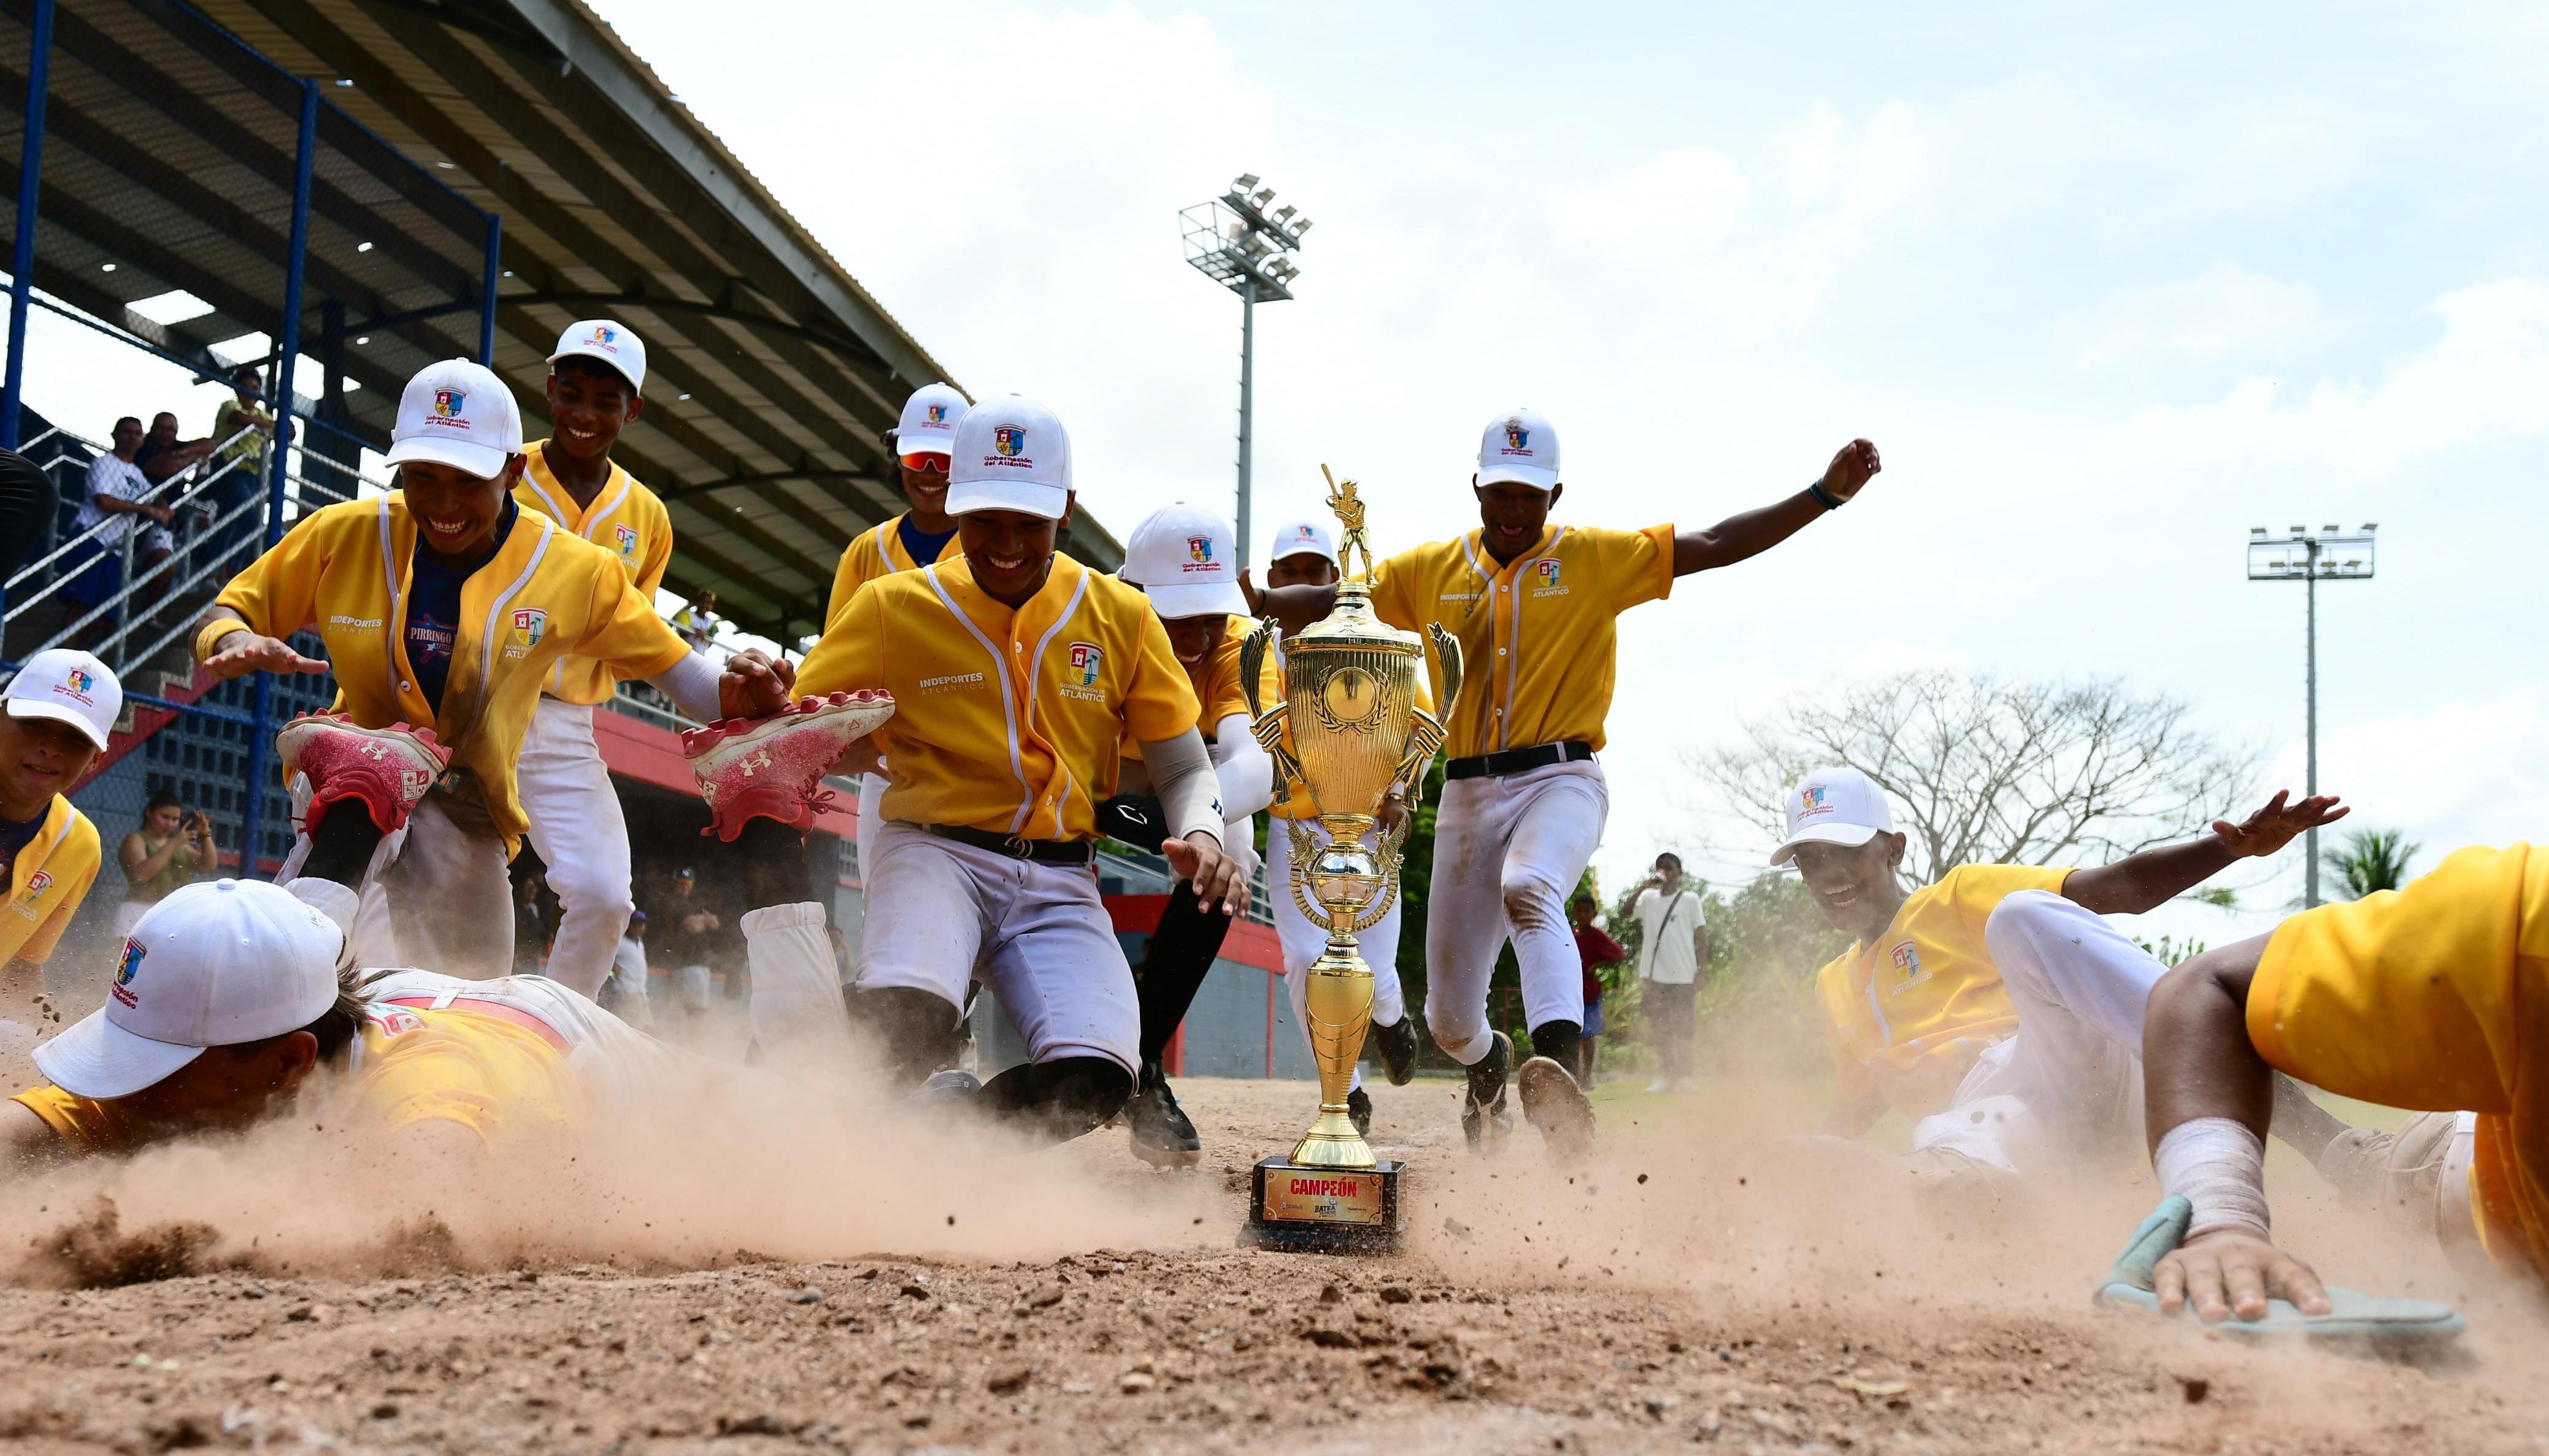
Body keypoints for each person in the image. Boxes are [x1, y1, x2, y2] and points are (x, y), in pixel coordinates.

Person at [1250, 408, 1883, 1159]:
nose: (1515, 510)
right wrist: (1259, 601)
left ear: (1555, 496)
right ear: (1478, 488)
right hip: (1466, 792)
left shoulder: (1593, 558)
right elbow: (1337, 603)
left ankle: (1555, 1072)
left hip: (1563, 776)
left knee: (1530, 885)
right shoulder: (1429, 570)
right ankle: (1491, 1063)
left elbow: (1713, 544)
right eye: (1502, 494)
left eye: (1531, 496)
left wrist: (1822, 495)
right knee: (1450, 1020)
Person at [689, 394, 1242, 1143]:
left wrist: (1204, 836)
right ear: (954, 503)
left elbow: (1183, 768)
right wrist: (767, 702)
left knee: (1099, 1077)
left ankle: (941, 1142)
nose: (1006, 543)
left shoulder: (1120, 615)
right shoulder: (892, 605)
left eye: (1029, 522)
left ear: (1068, 509)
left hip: (1059, 875)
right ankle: (782, 1104)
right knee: (907, 1027)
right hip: (934, 851)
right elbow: (806, 728)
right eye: (985, 519)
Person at [188, 358, 756, 977]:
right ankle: (279, 991)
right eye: (422, 477)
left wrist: (743, 693)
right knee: (322, 950)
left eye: (467, 480)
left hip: (469, 802)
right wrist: (229, 638)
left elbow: (680, 672)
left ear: (514, 471)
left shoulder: (578, 569)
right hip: (352, 780)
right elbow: (231, 607)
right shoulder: (345, 533)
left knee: (466, 994)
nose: (443, 502)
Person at [1782, 765, 2351, 1183]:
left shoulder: (1952, 899)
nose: (1828, 873)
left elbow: (2119, 890)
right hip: (2008, 1138)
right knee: (1945, 1139)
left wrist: (2229, 851)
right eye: (1810, 859)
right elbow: (1861, 1101)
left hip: (2080, 1072)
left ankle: (2342, 1151)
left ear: (1893, 850)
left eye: (1845, 850)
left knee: (2023, 913)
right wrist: (1790, 1158)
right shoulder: (1832, 985)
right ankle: (2000, 1220)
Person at [1, 875, 690, 1168]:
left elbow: (427, 1215)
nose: (129, 1096)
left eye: (159, 1070)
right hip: (418, 998)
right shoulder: (230, 1056)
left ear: (288, 1064)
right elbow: (28, 1129)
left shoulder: (429, 1089)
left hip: (564, 1039)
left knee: (758, 1103)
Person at [2136, 843, 2549, 1323]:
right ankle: (2338, 1145)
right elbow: (2209, 985)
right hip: (2453, 1175)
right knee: (2385, 1175)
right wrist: (2222, 1218)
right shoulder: (2525, 920)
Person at [1105, 502, 1274, 1167]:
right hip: (1072, 777)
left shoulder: (1238, 641)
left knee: (1233, 853)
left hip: (1173, 778)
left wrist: (1199, 831)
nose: (1200, 632)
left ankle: (1141, 1065)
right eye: (1179, 611)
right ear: (1135, 592)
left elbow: (1254, 767)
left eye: (1211, 608)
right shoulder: (1091, 615)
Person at [1248, 513, 1427, 1140]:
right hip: (1296, 826)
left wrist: (1400, 792)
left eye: (1313, 574)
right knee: (1301, 957)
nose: (1300, 585)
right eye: (1288, 573)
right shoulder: (1259, 654)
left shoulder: (1369, 642)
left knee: (1371, 970)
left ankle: (1394, 1019)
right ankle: (1345, 1093)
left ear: (1333, 581)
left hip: (1368, 827)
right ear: (1272, 579)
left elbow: (1419, 718)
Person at [509, 321, 673, 999]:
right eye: (571, 392)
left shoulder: (647, 515)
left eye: (606, 402)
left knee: (606, 898)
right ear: (549, 388)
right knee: (412, 876)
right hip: (468, 704)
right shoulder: (503, 469)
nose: (584, 413)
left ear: (631, 411)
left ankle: (551, 1033)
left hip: (566, 726)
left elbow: (634, 635)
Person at [826, 381, 969, 895]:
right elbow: (834, 658)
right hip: (887, 761)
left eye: (944, 461)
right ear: (898, 458)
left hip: (975, 756)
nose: (930, 475)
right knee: (882, 900)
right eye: (918, 459)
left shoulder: (993, 545)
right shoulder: (867, 551)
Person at [0, 650, 118, 1043]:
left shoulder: (79, 845)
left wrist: (46, 1032)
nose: (50, 748)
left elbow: (21, 967)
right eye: (33, 724)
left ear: (95, 761)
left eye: (75, 737)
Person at [64, 416, 174, 618]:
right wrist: (146, 510)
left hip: (115, 549)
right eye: (127, 432)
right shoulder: (103, 463)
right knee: (81, 606)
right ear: (115, 435)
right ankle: (67, 647)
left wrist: (163, 507)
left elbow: (155, 496)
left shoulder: (136, 473)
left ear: (143, 439)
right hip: (92, 537)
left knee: (110, 615)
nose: (132, 437)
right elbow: (104, 501)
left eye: (137, 433)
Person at [1621, 853, 1707, 1093]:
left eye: (1669, 868)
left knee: (1684, 1028)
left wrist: (1702, 971)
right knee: (1661, 1029)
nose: (1664, 872)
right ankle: (1667, 1076)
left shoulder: (1690, 899)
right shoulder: (1648, 899)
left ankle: (1686, 1076)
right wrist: (1643, 886)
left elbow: (1701, 937)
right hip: (1654, 977)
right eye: (1660, 868)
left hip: (1683, 976)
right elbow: (1626, 913)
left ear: (1680, 872)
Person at [114, 789, 215, 936]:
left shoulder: (178, 843)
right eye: (165, 817)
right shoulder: (136, 839)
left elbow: (208, 865)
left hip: (172, 913)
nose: (170, 824)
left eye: (175, 819)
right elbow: (140, 875)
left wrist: (205, 835)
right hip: (138, 911)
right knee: (132, 959)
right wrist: (173, 844)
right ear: (149, 812)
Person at [206, 367, 275, 564]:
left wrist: (272, 424)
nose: (250, 391)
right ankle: (229, 569)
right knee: (250, 520)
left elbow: (288, 432)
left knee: (228, 521)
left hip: (254, 475)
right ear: (237, 389)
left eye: (254, 387)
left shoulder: (263, 415)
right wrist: (269, 425)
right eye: (245, 387)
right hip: (231, 468)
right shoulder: (230, 405)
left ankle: (214, 570)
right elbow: (239, 418)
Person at [1568, 892, 1624, 1089]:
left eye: (1587, 911)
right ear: (1574, 912)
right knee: (1573, 1036)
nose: (1583, 915)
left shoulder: (1597, 936)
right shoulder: (1570, 935)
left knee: (1589, 1037)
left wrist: (1596, 965)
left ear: (1594, 914)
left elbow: (1619, 953)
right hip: (1571, 994)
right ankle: (1573, 1075)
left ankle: (1587, 1077)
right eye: (1579, 911)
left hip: (1589, 993)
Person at [133, 412, 215, 488]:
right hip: (148, 496)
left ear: (176, 432)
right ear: (152, 428)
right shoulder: (142, 447)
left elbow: (213, 443)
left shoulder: (177, 446)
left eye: (170, 429)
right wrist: (196, 457)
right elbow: (168, 468)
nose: (165, 433)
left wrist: (189, 451)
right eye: (161, 428)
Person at [604, 908, 655, 1030]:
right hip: (626, 991)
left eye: (641, 924)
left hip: (641, 991)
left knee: (647, 1028)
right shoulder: (619, 941)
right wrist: (613, 970)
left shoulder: (640, 944)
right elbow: (605, 957)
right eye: (635, 924)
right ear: (628, 924)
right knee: (631, 1027)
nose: (638, 928)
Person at [511, 872, 549, 978]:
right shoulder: (514, 909)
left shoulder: (533, 910)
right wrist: (514, 958)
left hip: (532, 960)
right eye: (529, 887)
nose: (532, 890)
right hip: (518, 960)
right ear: (520, 889)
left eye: (534, 887)